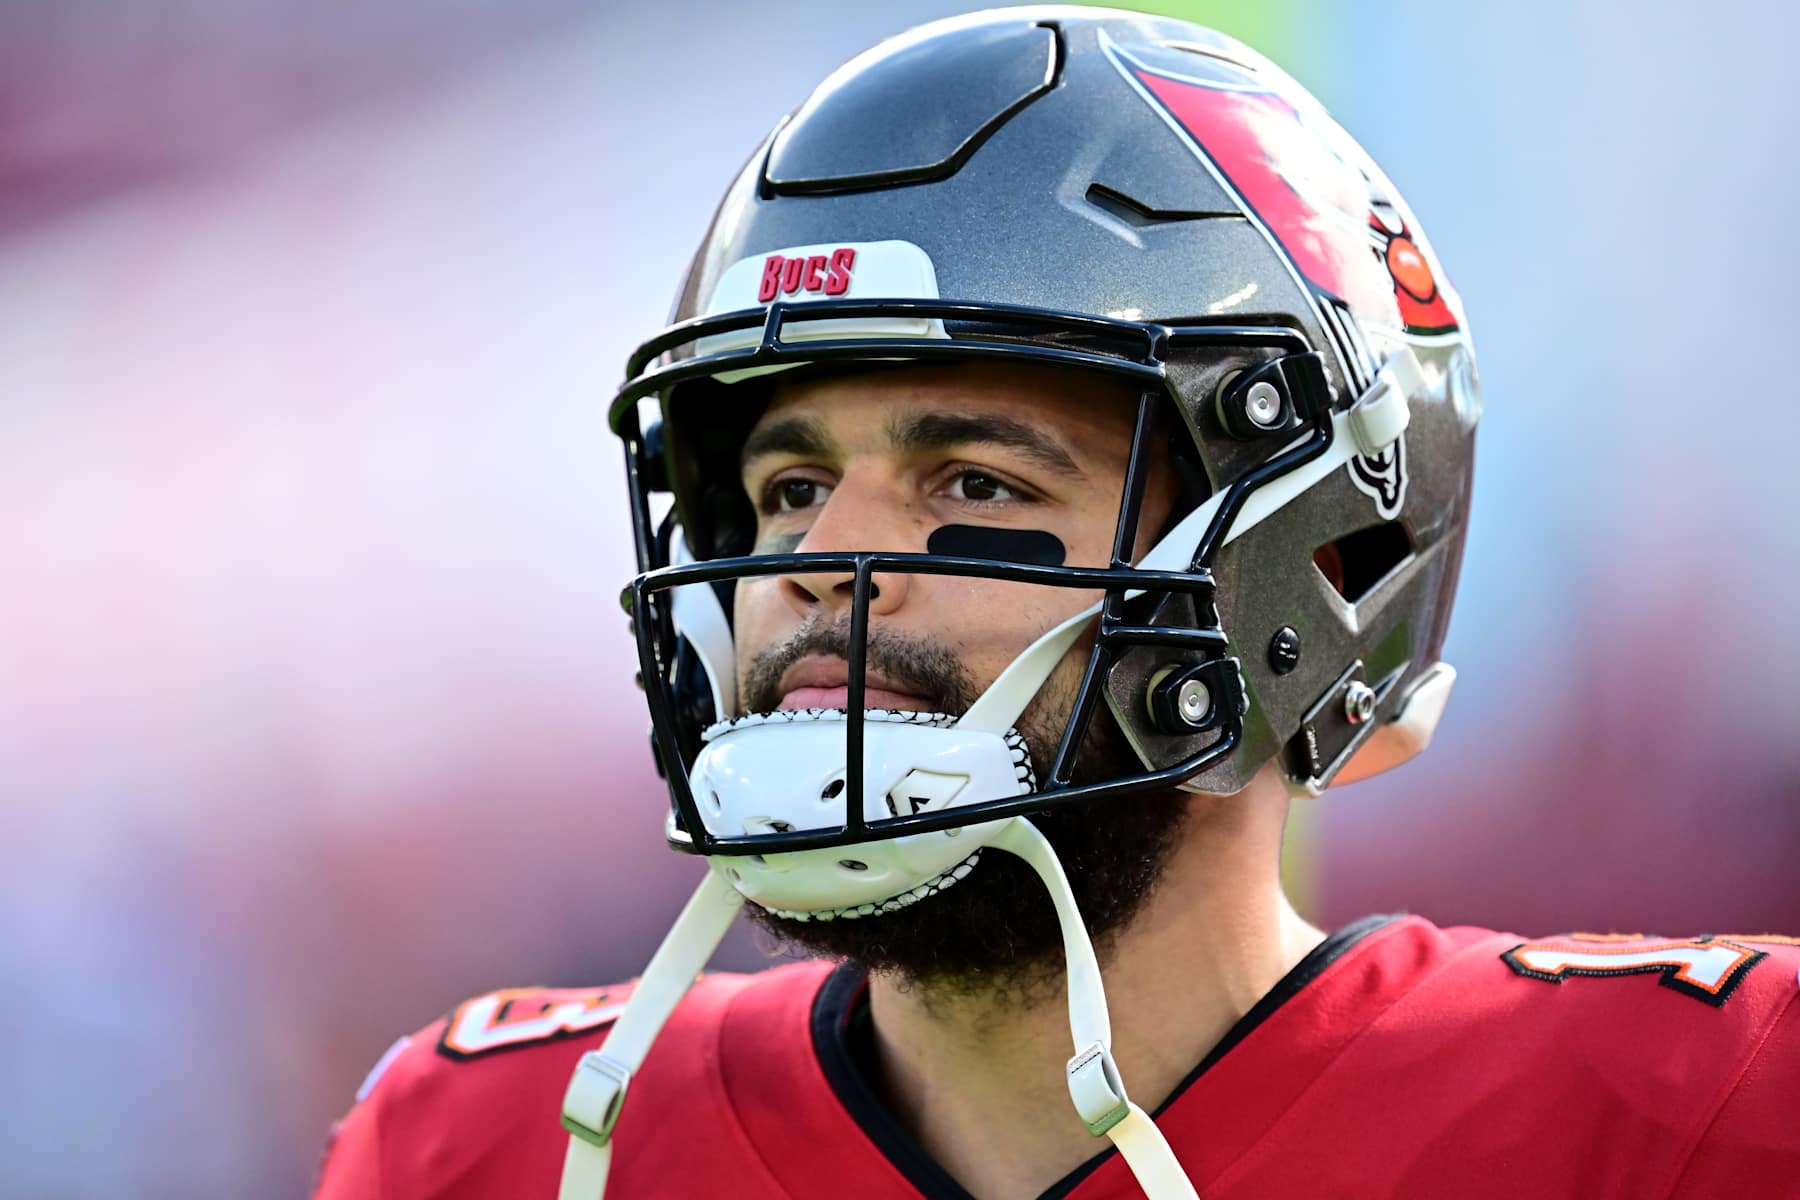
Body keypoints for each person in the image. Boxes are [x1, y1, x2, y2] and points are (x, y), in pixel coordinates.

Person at [312, 8, 1800, 1198]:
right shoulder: (484, 1147)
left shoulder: (1698, 1115)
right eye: (785, 484)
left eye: (975, 484)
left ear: (1308, 572)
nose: (826, 556)